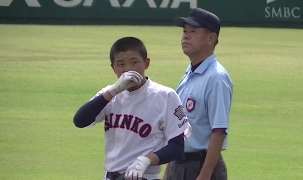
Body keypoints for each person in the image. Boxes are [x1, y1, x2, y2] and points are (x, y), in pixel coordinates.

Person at [73, 37, 191, 180]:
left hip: (144, 176)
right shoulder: (109, 95)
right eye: (121, 64)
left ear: (146, 63)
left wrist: (146, 160)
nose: (128, 69)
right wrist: (114, 91)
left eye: (134, 62)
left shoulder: (164, 96)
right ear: (113, 68)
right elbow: (80, 121)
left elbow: (177, 147)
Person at [163, 8, 233, 180]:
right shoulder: (187, 76)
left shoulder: (216, 78)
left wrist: (204, 175)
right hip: (177, 165)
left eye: (193, 31)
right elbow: (177, 130)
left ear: (211, 38)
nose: (185, 36)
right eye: (184, 31)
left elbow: (219, 131)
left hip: (200, 167)